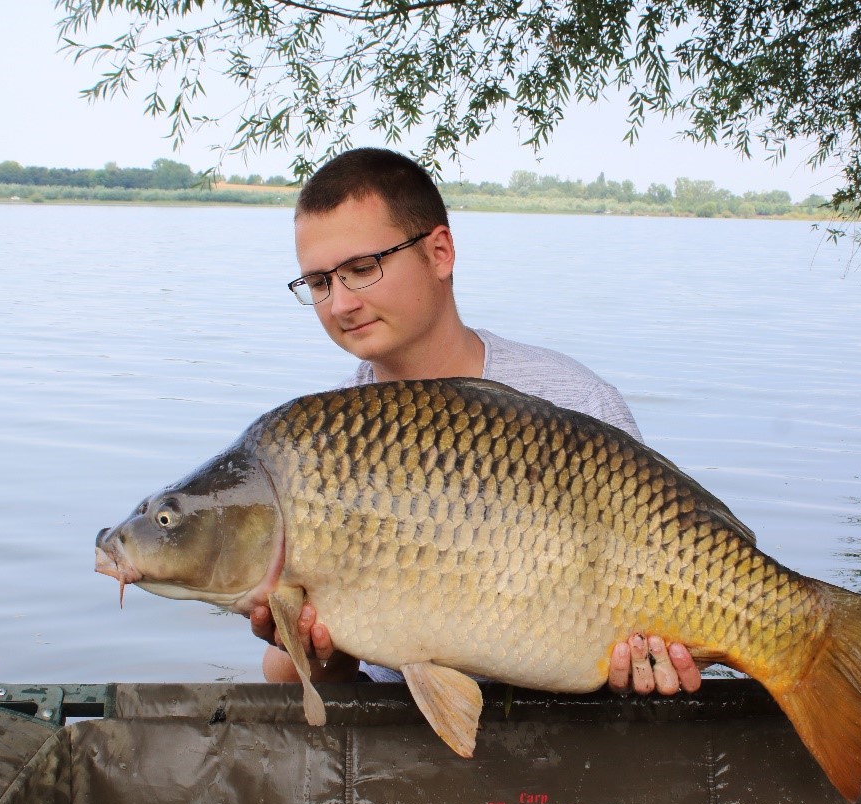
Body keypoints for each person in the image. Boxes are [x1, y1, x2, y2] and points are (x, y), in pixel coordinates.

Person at [251, 147, 701, 697]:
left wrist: (648, 673)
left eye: (362, 270)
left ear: (439, 252)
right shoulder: (317, 446)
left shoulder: (576, 400)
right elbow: (296, 686)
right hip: (405, 745)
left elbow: (670, 559)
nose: (340, 303)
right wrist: (303, 648)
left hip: (570, 747)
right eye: (318, 283)